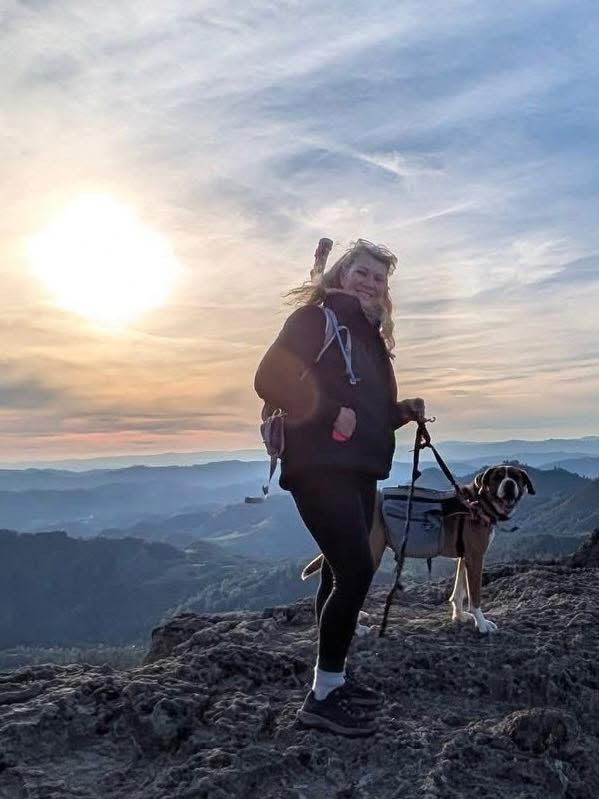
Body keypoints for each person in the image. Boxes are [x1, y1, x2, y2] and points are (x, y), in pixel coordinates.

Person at [254, 239, 425, 736]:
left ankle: (334, 679)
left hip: (356, 469)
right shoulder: (315, 319)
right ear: (341, 275)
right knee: (355, 570)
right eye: (361, 272)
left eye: (379, 277)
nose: (370, 283)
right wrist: (330, 412)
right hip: (318, 466)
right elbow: (268, 379)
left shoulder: (369, 338)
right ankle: (323, 697)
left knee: (337, 571)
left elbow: (365, 417)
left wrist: (400, 413)